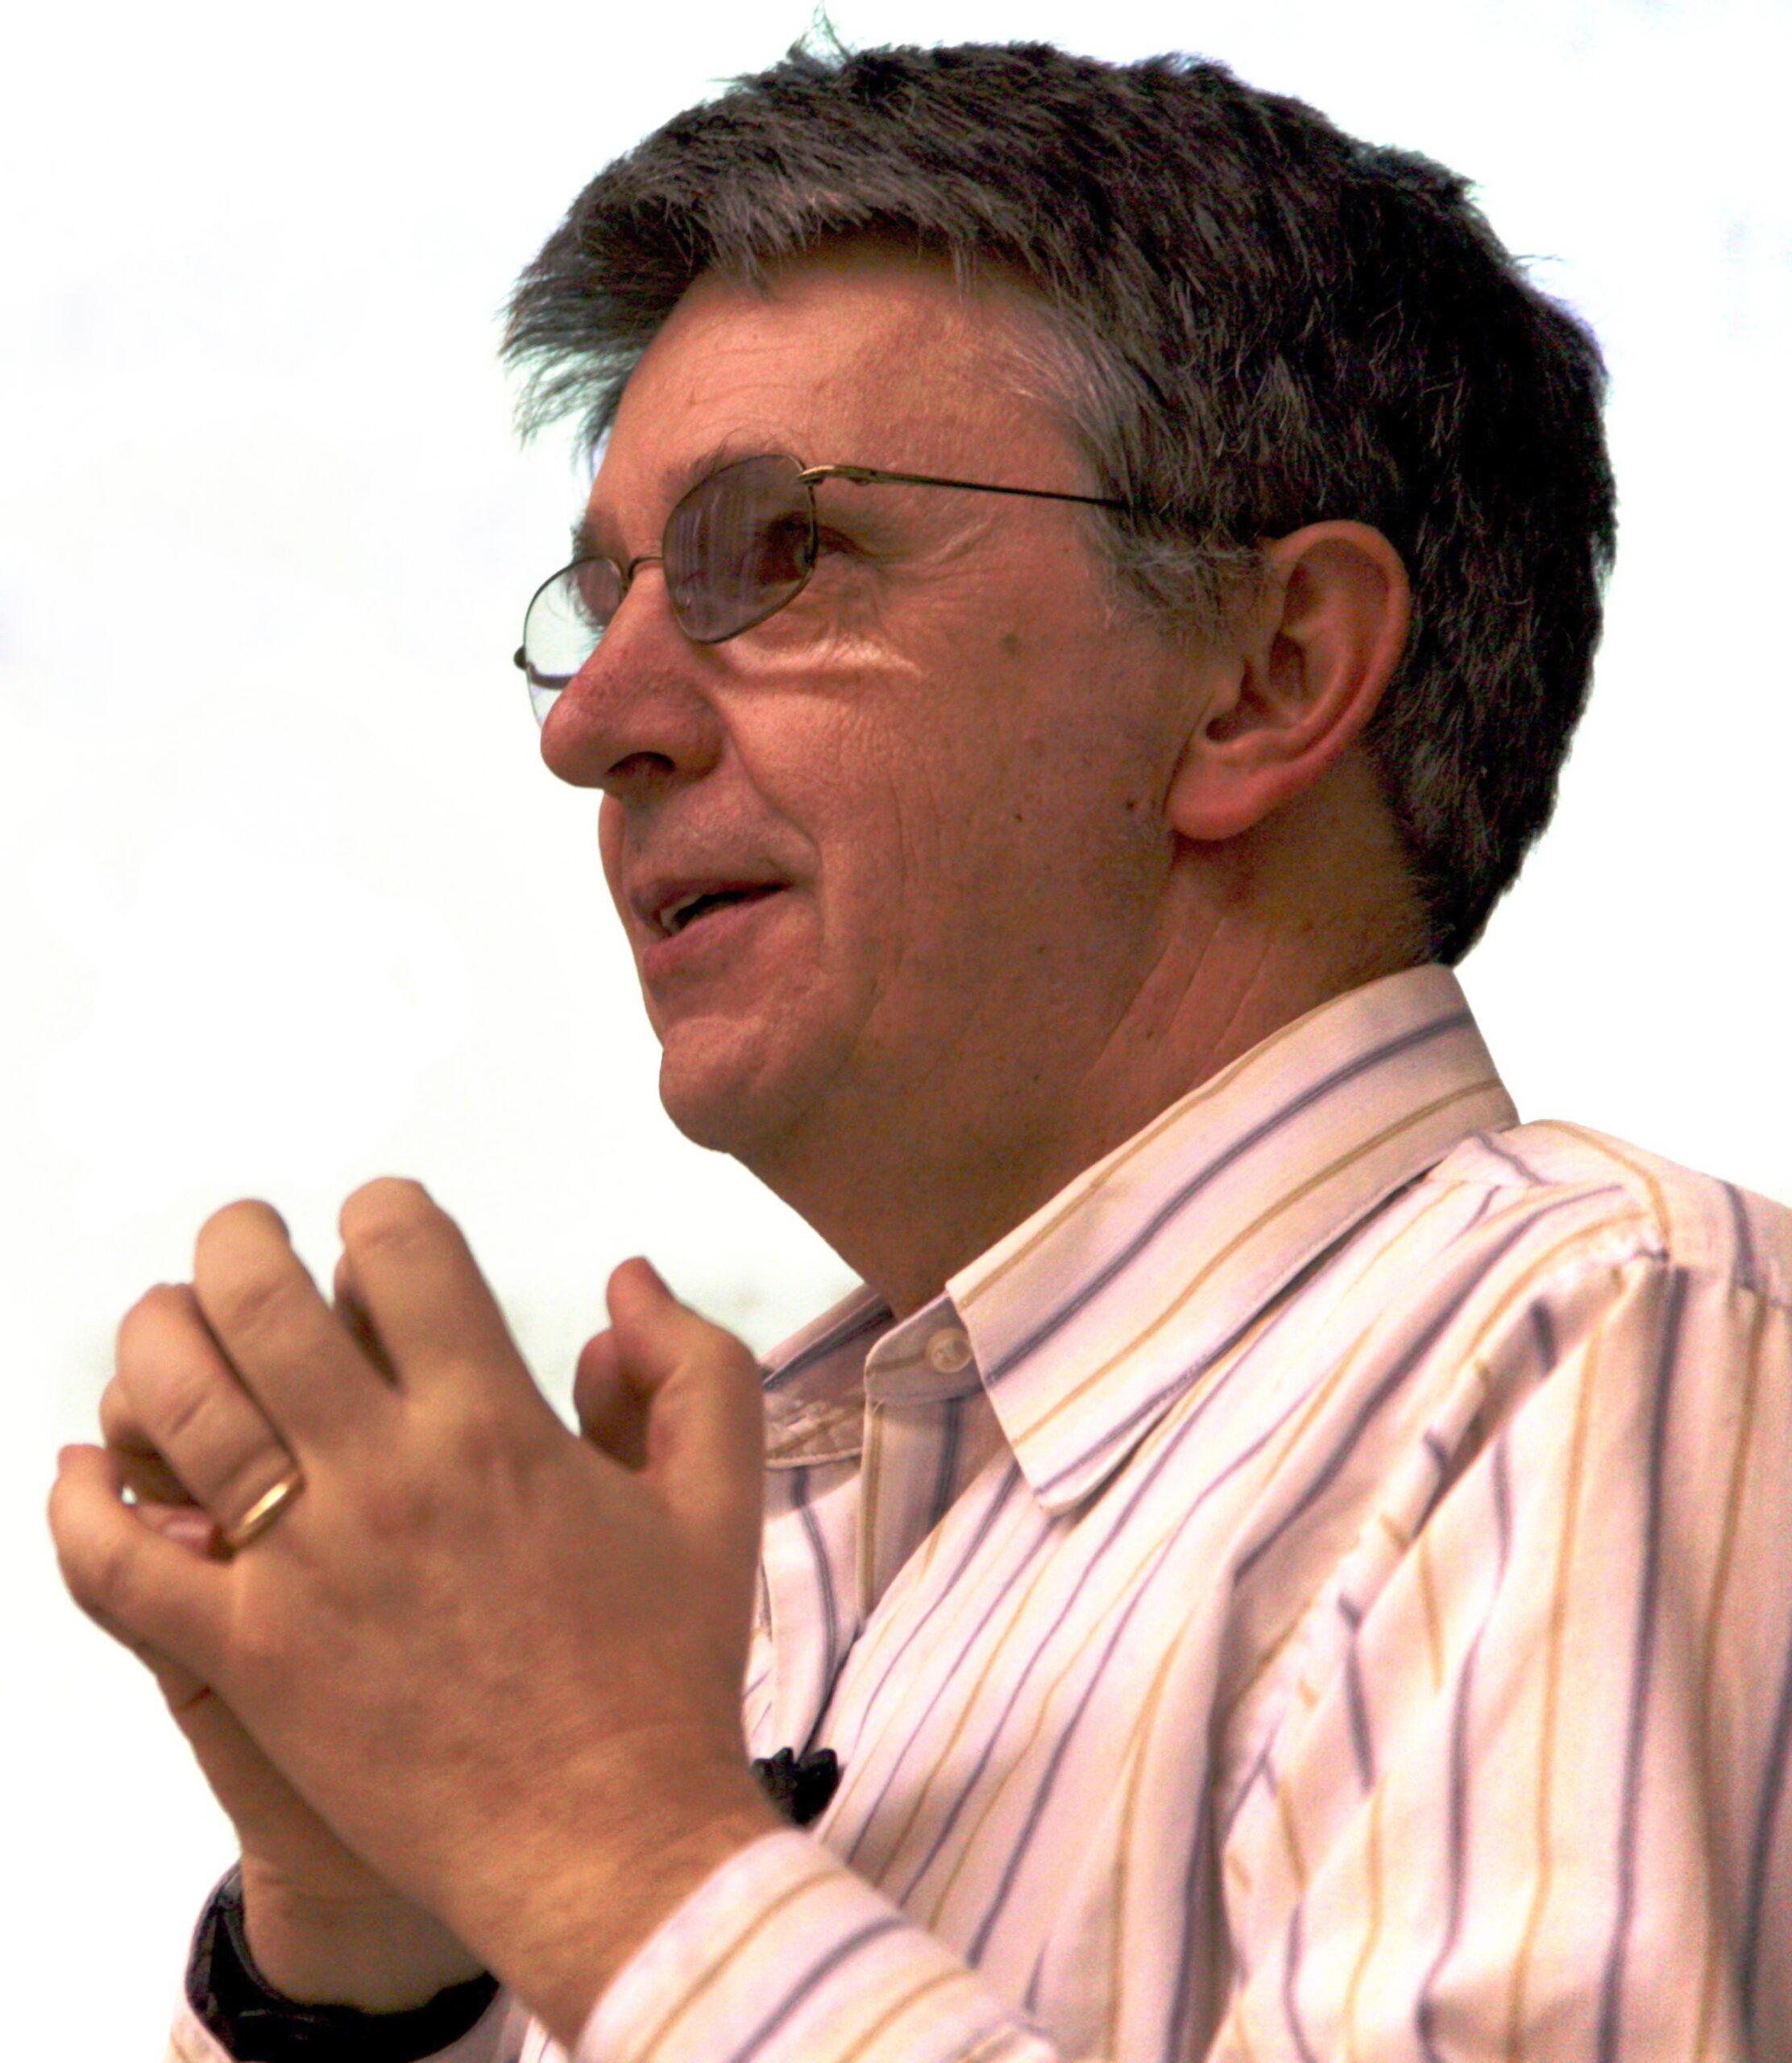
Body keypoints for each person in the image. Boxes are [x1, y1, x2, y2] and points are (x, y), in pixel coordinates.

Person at [49, 38, 1792, 2063]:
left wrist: (605, 1843)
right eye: (597, 600)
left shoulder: (1599, 1343)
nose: (590, 721)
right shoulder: (740, 1544)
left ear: (1264, 674)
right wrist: (371, 1964)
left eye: (779, 556)